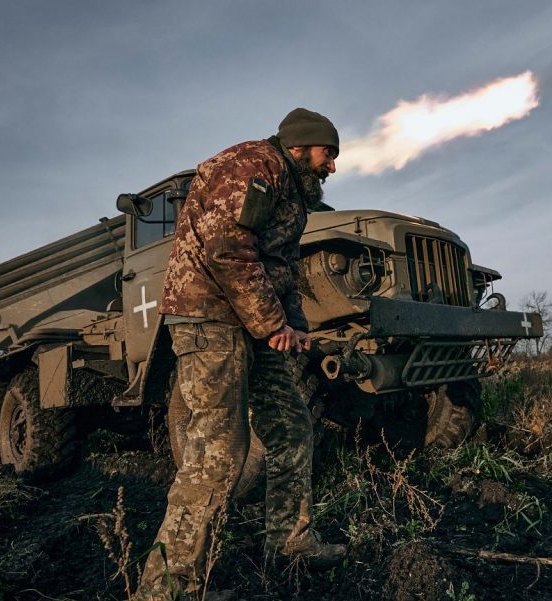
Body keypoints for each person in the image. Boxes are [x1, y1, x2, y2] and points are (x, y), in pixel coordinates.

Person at [138, 108, 345, 599]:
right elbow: (227, 250)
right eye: (327, 154)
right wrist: (273, 325)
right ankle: (167, 588)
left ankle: (291, 543)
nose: (332, 167)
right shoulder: (253, 166)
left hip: (251, 323)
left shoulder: (290, 188)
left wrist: (293, 327)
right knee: (218, 450)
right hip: (211, 318)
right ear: (299, 146)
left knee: (293, 427)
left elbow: (281, 267)